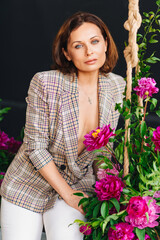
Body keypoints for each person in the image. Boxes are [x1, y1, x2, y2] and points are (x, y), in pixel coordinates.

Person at [0, 11, 125, 240]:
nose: (89, 51)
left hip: (78, 184)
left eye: (95, 41)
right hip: (29, 184)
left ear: (106, 44)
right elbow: (35, 147)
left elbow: (102, 152)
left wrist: (113, 190)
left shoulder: (117, 86)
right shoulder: (46, 83)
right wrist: (68, 195)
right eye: (78, 46)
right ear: (67, 53)